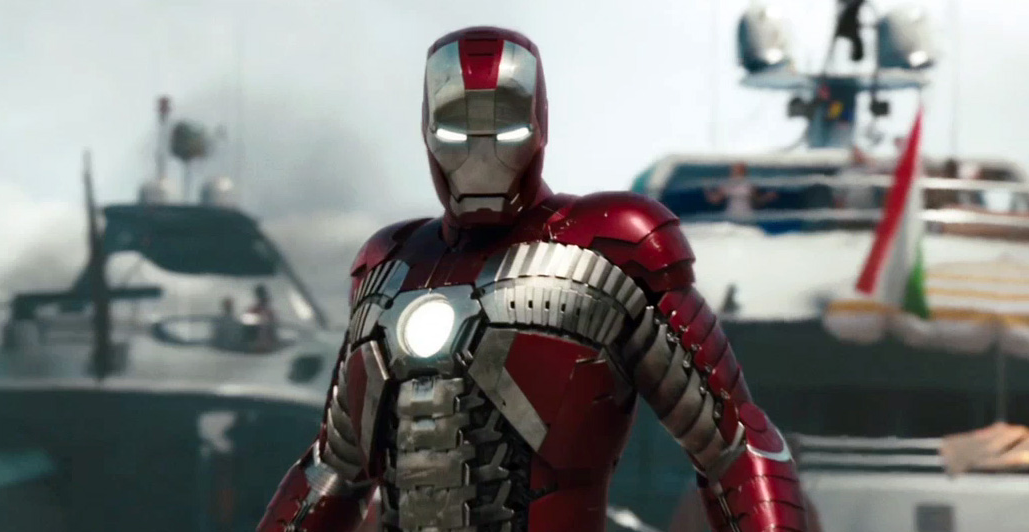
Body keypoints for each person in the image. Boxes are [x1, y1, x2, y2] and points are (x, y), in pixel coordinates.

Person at [259, 27, 805, 532]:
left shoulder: (610, 246)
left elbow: (736, 446)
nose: (480, 150)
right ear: (428, 128)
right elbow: (332, 472)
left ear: (538, 121)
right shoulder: (389, 267)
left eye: (502, 123)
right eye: (457, 126)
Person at [704, 162, 778, 221]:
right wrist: (706, 188)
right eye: (736, 167)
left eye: (741, 167)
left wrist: (768, 197)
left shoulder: (750, 184)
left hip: (747, 216)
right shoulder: (727, 184)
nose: (738, 170)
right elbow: (715, 200)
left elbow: (758, 201)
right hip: (731, 216)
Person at [245, 285, 278, 352]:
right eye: (262, 296)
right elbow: (248, 331)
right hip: (256, 347)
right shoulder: (253, 311)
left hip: (268, 347)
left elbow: (273, 330)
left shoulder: (270, 313)